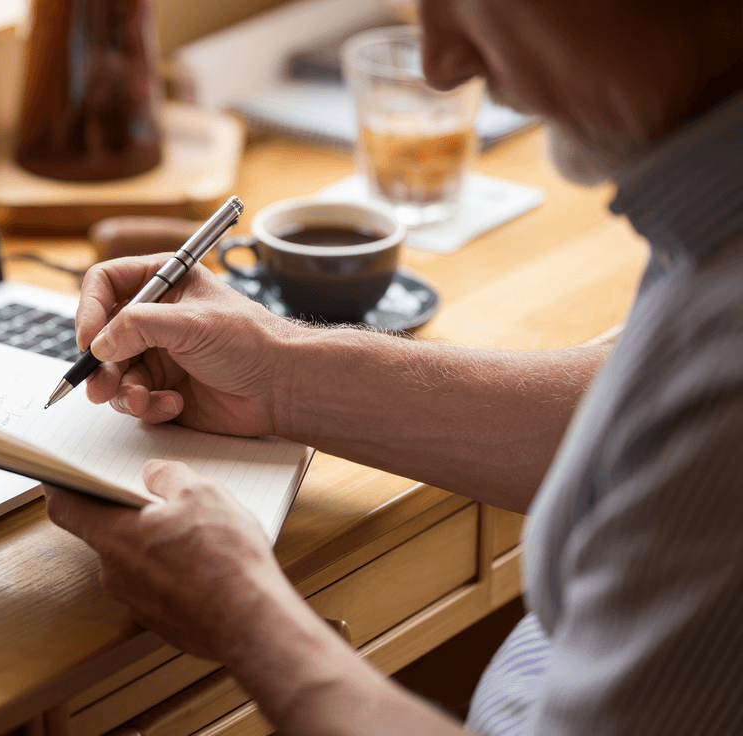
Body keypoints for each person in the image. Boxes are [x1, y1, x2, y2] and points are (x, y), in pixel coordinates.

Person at [43, 1, 743, 734]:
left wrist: (243, 612)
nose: (444, 67)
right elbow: (641, 420)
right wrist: (279, 374)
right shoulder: (706, 215)